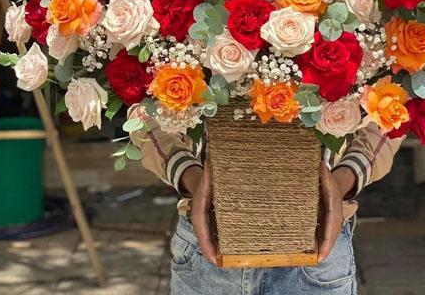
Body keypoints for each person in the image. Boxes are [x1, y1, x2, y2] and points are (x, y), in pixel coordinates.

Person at [131, 112, 403, 295]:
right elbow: (141, 110)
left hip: (317, 245)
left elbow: (396, 107)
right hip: (207, 249)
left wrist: (342, 180)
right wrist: (192, 177)